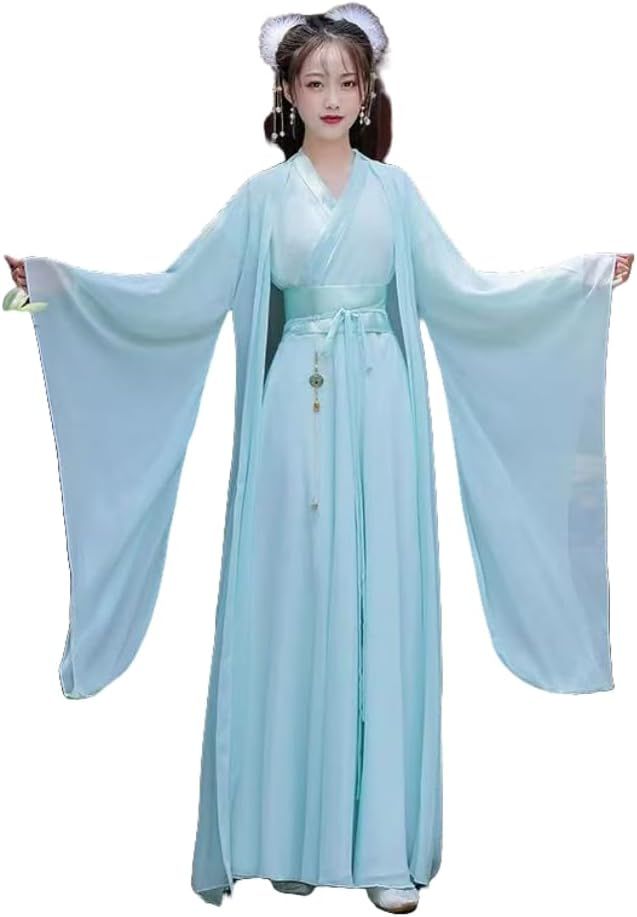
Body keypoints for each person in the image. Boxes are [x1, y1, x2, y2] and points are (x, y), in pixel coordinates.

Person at [2, 4, 633, 914]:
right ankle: (285, 832)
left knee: (378, 595)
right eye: (314, 81)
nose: (332, 96)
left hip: (381, 409)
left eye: (347, 80)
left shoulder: (396, 193)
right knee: (294, 593)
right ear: (287, 93)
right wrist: (56, 289)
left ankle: (380, 847)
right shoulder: (262, 200)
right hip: (290, 415)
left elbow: (465, 293)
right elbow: (177, 293)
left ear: (368, 91)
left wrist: (580, 279)